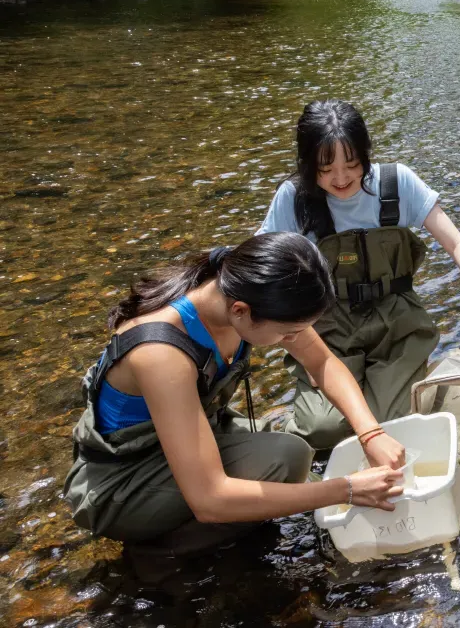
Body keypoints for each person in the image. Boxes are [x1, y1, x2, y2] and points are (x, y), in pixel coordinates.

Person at [65, 233, 407, 561]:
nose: (295, 339)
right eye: (288, 333)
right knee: (285, 459)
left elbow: (321, 362)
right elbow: (210, 498)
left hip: (182, 441)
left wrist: (371, 433)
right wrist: (345, 489)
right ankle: (161, 552)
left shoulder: (240, 291)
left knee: (294, 464)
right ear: (241, 311)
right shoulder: (161, 352)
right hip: (119, 485)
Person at [258, 100, 460, 449]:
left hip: (396, 326)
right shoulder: (294, 198)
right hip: (328, 328)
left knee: (387, 427)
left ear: (366, 154)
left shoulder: (395, 183)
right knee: (324, 431)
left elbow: (454, 241)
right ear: (307, 165)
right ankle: (276, 429)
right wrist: (303, 350)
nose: (341, 178)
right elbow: (261, 271)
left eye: (352, 164)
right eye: (326, 168)